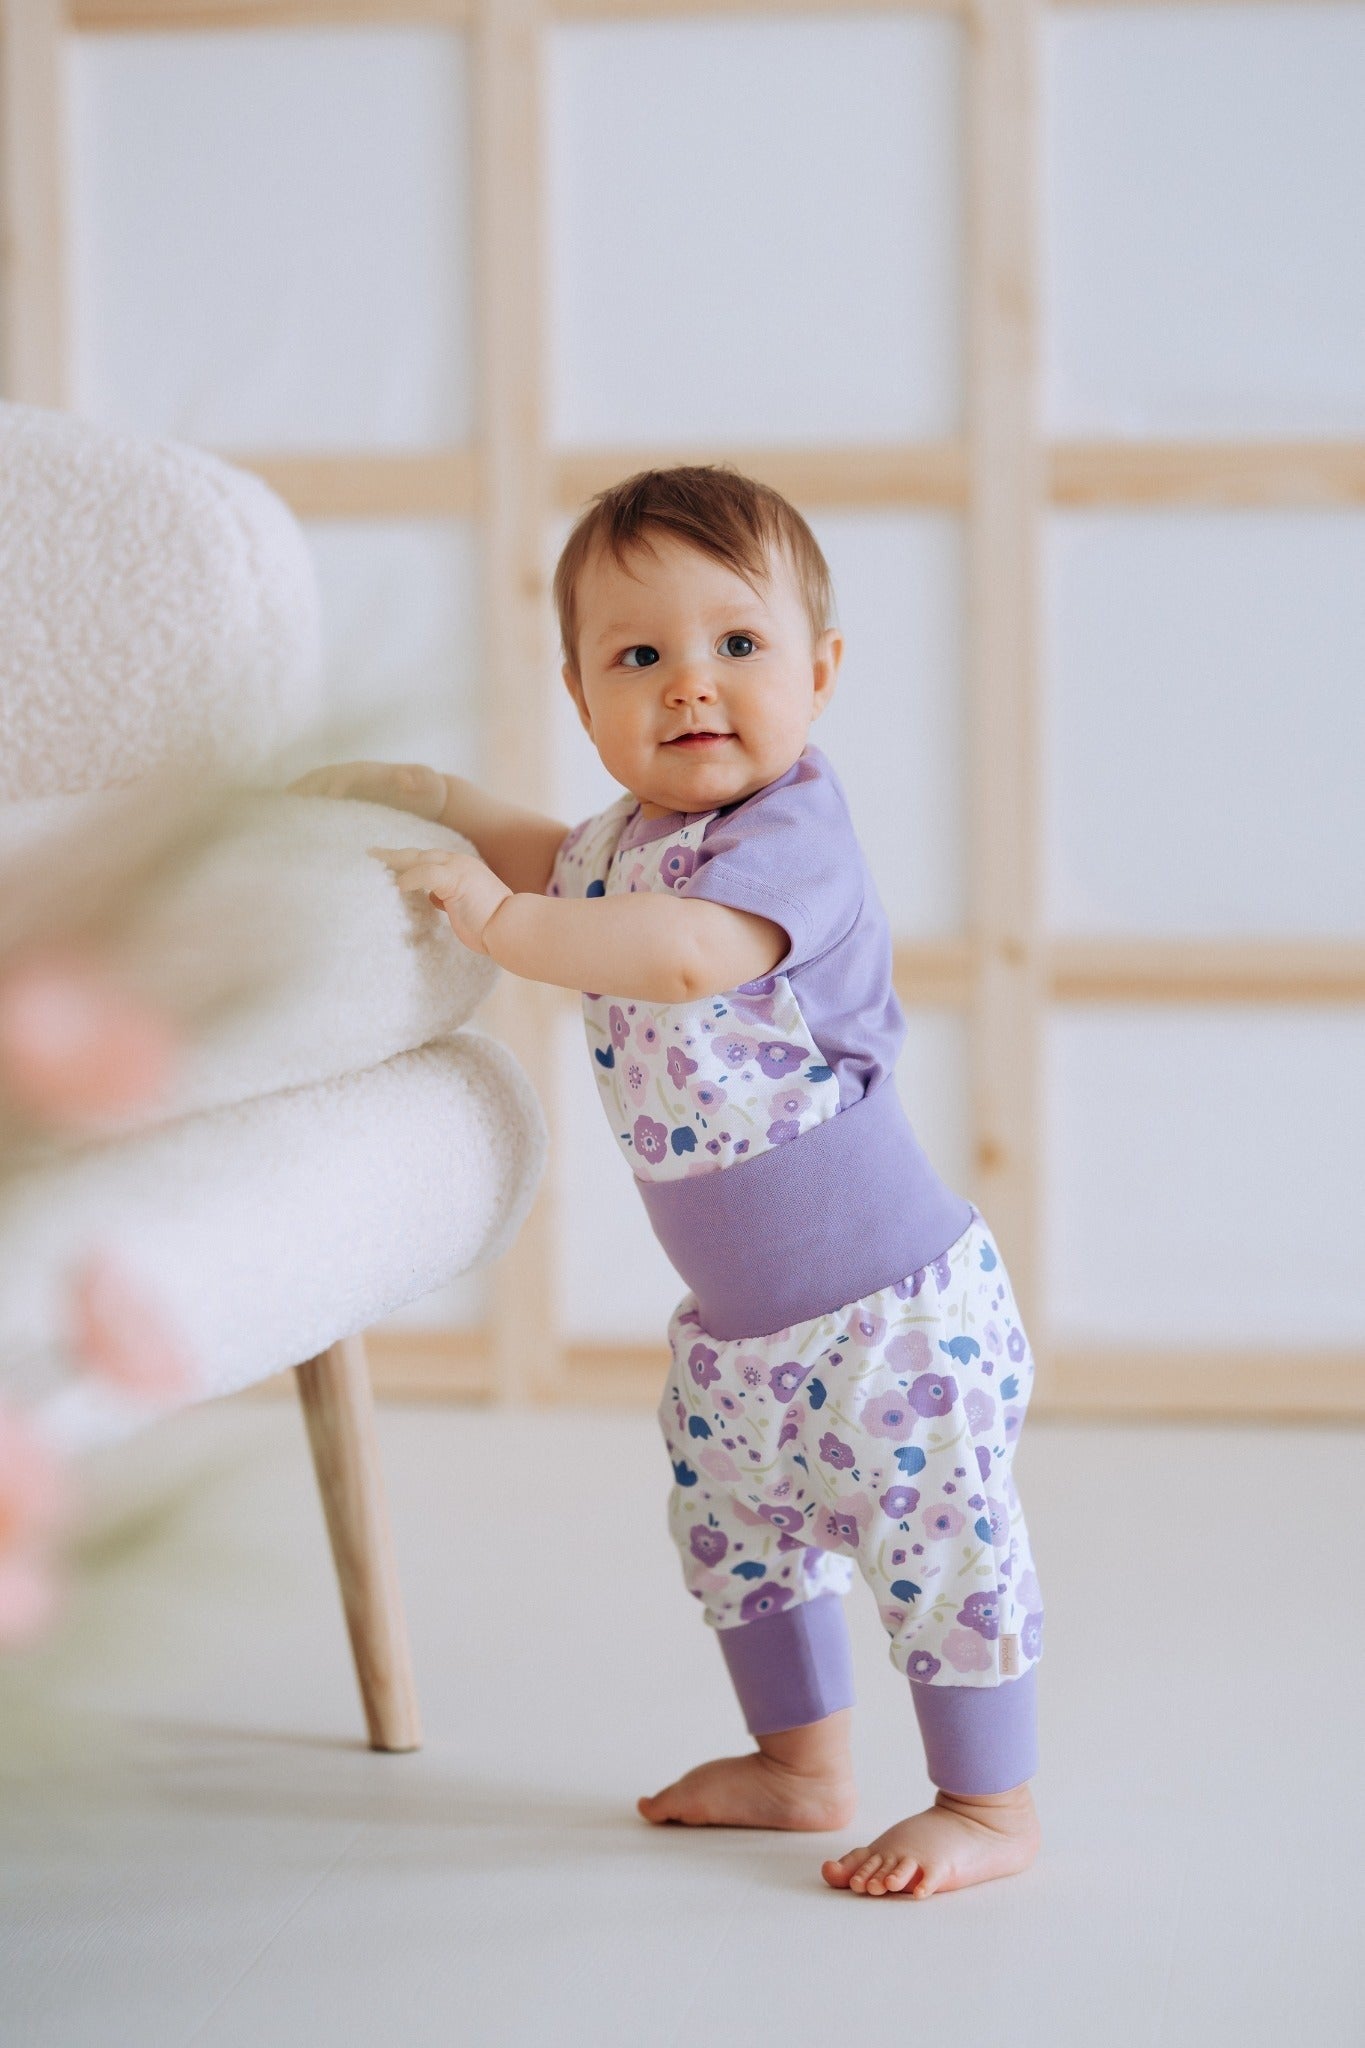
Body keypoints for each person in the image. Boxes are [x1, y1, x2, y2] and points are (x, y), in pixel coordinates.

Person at [291, 465, 1043, 1900]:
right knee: (734, 1537)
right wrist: (441, 803)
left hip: (892, 1321)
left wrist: (500, 926)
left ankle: (985, 1801)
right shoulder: (628, 844)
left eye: (737, 646)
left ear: (819, 674)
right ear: (581, 697)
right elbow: (560, 866)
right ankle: (800, 1765)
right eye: (639, 656)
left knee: (939, 1550)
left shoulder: (788, 842)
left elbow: (685, 955)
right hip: (745, 1338)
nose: (691, 684)